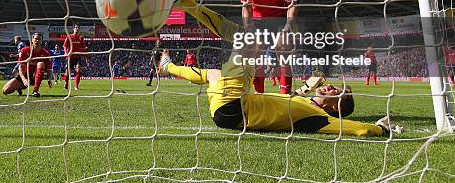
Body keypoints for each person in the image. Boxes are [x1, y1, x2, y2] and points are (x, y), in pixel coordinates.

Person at [157, 49, 402, 136]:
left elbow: (357, 129)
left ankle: (189, 9)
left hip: (234, 113)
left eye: (336, 93)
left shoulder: (318, 119)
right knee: (213, 73)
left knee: (242, 53)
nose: (331, 88)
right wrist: (309, 86)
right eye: (334, 86)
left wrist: (381, 129)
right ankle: (169, 67)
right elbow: (293, 96)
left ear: (335, 107)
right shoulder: (304, 102)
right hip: (232, 105)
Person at [239, 0, 297, 94]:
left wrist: (287, 28)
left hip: (278, 18)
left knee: (282, 48)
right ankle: (259, 95)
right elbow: (246, 7)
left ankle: (286, 96)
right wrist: (248, 27)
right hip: (258, 20)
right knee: (256, 50)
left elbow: (292, 5)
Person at [2, 33, 53, 97]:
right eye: (36, 39)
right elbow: (21, 67)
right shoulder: (24, 50)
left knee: (40, 64)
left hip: (35, 76)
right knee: (5, 91)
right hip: (25, 75)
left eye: (39, 39)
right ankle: (20, 87)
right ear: (32, 40)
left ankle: (35, 90)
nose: (37, 40)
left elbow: (49, 69)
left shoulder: (46, 53)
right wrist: (24, 80)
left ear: (41, 41)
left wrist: (49, 79)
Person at [63, 24, 88, 91]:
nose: (77, 28)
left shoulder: (81, 37)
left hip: (78, 56)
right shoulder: (69, 36)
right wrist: (65, 52)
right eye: (76, 27)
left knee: (79, 70)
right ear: (73, 29)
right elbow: (65, 46)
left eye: (78, 28)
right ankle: (66, 82)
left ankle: (76, 86)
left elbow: (83, 47)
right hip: (70, 56)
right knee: (67, 72)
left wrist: (86, 56)